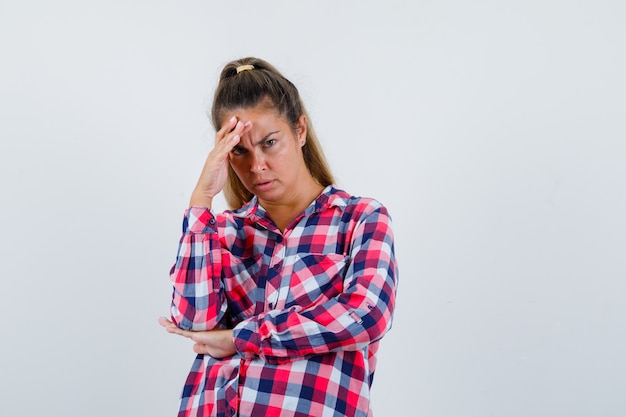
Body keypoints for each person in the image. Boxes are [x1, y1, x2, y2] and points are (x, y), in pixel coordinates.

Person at [159, 57, 399, 417]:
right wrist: (200, 201)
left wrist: (243, 338)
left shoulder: (359, 219)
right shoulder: (222, 231)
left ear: (299, 130)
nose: (256, 166)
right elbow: (194, 321)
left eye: (270, 143)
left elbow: (366, 315)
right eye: (239, 150)